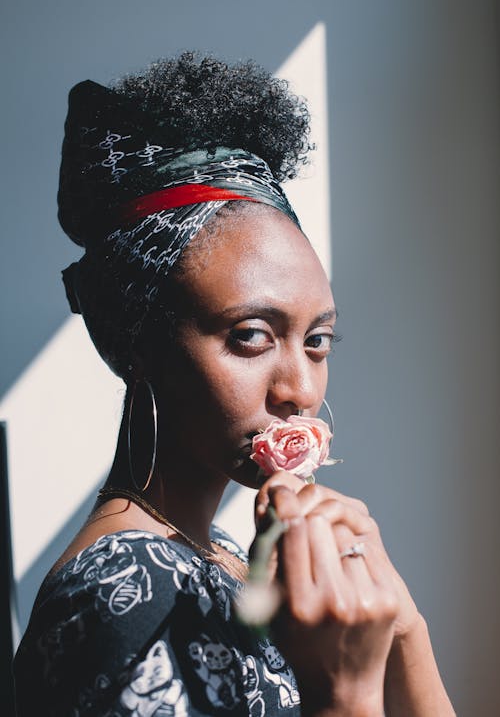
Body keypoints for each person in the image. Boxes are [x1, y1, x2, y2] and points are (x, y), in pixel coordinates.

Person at [13, 52, 454, 716]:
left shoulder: (219, 558)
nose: (300, 389)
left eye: (317, 342)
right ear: (140, 345)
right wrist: (345, 693)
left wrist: (401, 626)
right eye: (250, 336)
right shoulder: (122, 594)